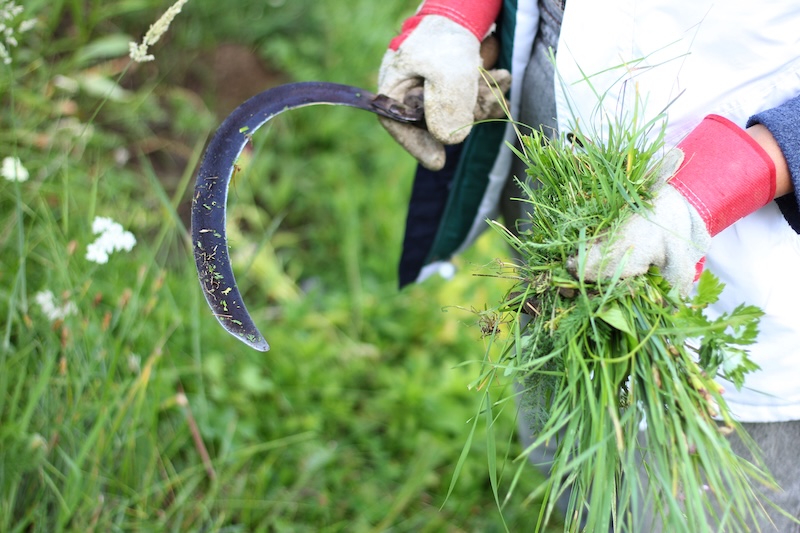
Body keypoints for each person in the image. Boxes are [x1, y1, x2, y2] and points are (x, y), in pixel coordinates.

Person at [377, 0, 800, 530]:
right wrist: (456, 16)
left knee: (710, 506)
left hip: (753, 202)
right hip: (559, 135)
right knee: (572, 459)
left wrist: (719, 183)